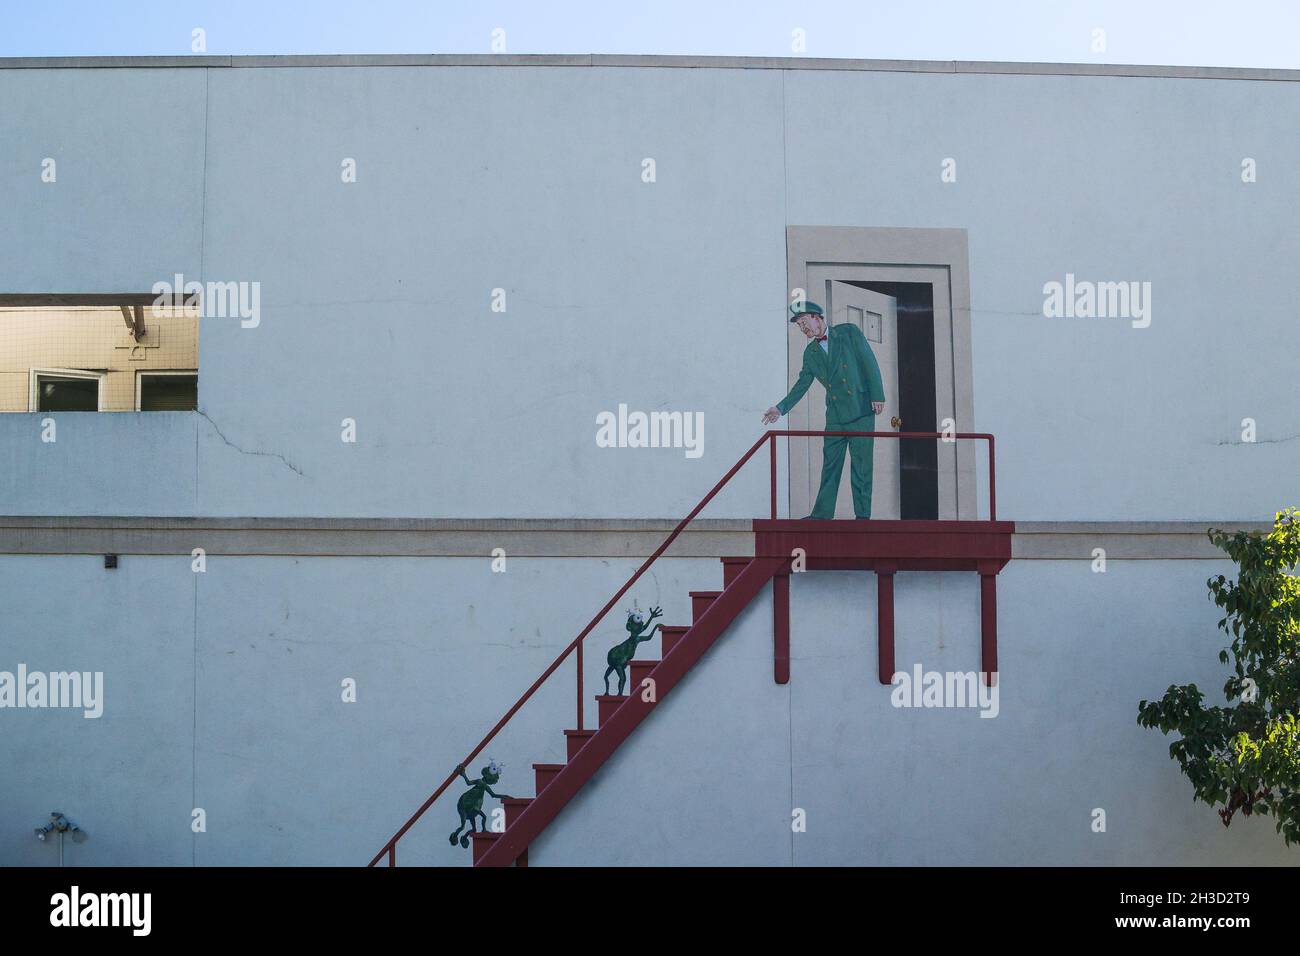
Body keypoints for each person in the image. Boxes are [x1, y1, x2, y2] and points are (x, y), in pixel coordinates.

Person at [762, 301, 885, 519]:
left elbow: (869, 361)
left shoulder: (848, 332)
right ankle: (821, 515)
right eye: (799, 325)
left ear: (817, 317)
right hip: (836, 416)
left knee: (862, 468)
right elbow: (802, 385)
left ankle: (863, 518)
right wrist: (780, 408)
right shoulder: (811, 353)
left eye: (804, 322)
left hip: (861, 410)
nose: (803, 328)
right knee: (830, 467)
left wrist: (877, 394)